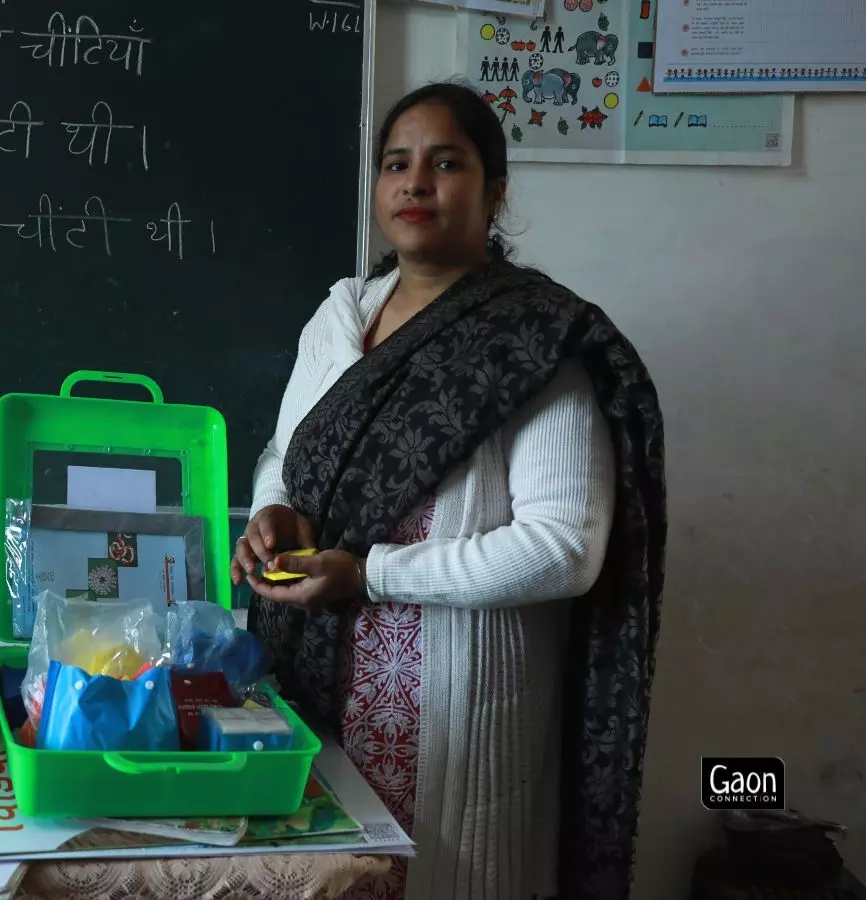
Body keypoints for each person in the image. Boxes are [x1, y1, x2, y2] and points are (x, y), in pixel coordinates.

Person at [230, 82, 666, 900]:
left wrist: (369, 574)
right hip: (304, 696)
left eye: (446, 163)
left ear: (495, 190)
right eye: (397, 163)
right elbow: (281, 456)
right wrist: (270, 513)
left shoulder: (534, 341)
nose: (415, 183)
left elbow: (565, 549)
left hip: (457, 723)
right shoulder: (339, 318)